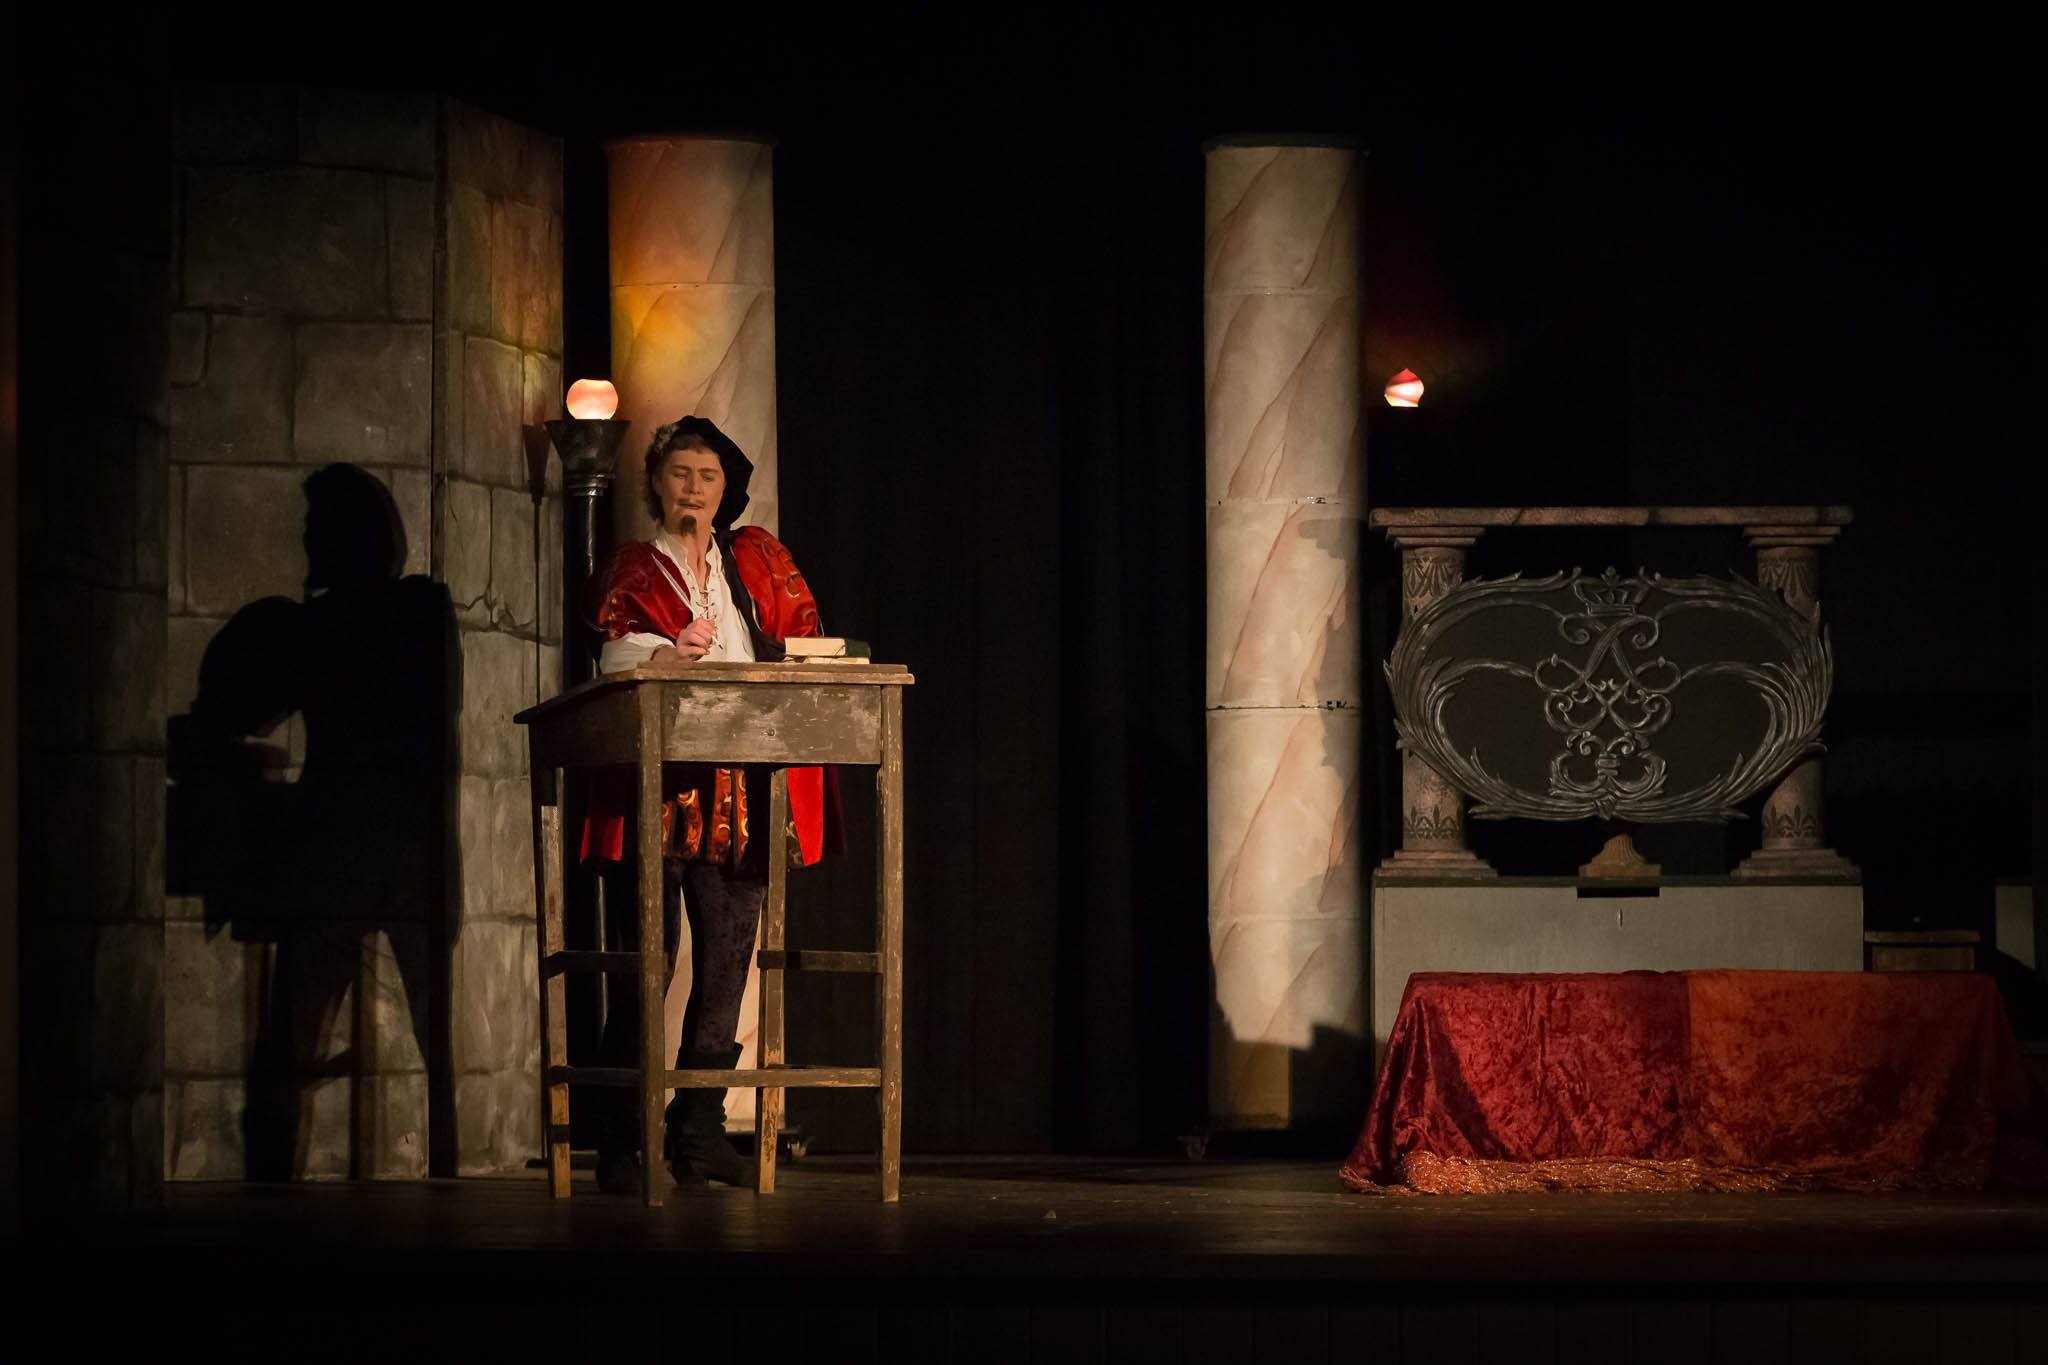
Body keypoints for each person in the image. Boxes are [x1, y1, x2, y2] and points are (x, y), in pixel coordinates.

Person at [582, 415, 832, 1193]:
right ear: (656, 483)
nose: (694, 489)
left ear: (726, 490)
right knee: (646, 960)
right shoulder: (636, 565)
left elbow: (801, 634)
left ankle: (698, 1128)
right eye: (680, 474)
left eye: (708, 476)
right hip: (660, 785)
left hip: (740, 783)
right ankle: (621, 1136)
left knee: (726, 963)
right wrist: (664, 652)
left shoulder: (752, 561)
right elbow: (610, 649)